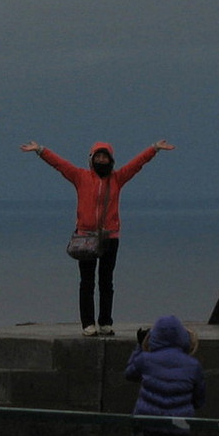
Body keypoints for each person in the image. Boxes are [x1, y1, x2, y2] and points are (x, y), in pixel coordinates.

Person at [21, 139, 175, 336]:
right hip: (85, 237)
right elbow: (59, 164)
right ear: (91, 159)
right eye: (98, 157)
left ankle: (105, 322)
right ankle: (88, 324)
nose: (101, 160)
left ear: (111, 160)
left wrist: (154, 149)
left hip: (110, 237)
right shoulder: (80, 177)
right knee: (86, 283)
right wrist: (40, 150)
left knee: (106, 281)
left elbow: (137, 164)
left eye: (105, 157)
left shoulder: (117, 179)